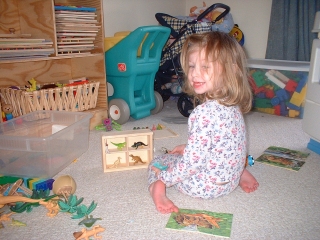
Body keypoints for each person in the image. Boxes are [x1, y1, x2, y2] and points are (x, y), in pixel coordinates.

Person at [148, 31, 259, 214]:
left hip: (204, 187)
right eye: (191, 66)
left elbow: (192, 165)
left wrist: (165, 178)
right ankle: (239, 173)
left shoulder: (203, 114)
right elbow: (227, 142)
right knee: (198, 153)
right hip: (229, 180)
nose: (195, 74)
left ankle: (156, 189)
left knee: (159, 161)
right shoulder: (232, 105)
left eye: (205, 67)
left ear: (230, 70)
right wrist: (189, 147)